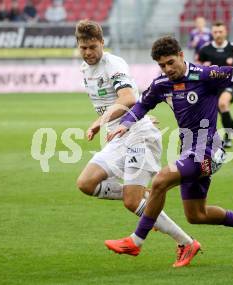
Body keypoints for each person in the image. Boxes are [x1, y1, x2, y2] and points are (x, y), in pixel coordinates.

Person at [105, 36, 233, 267]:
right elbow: (143, 104)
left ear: (182, 55)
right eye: (162, 65)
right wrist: (125, 124)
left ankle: (136, 241)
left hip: (210, 150)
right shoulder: (162, 84)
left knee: (161, 180)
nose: (167, 69)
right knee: (196, 215)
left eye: (171, 62)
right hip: (189, 150)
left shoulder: (206, 76)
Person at [74, 20, 199, 267]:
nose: (88, 52)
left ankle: (186, 242)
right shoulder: (84, 69)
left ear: (101, 43)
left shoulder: (114, 64)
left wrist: (103, 120)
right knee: (86, 183)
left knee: (132, 202)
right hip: (118, 136)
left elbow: (128, 97)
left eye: (92, 47)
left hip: (138, 134)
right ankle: (147, 197)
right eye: (83, 47)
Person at [198, 21, 233, 151]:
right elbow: (197, 64)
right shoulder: (205, 49)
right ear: (212, 33)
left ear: (225, 32)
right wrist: (203, 68)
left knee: (223, 104)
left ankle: (230, 136)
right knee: (221, 112)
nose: (218, 34)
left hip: (229, 83)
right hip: (212, 86)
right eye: (215, 32)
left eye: (220, 32)